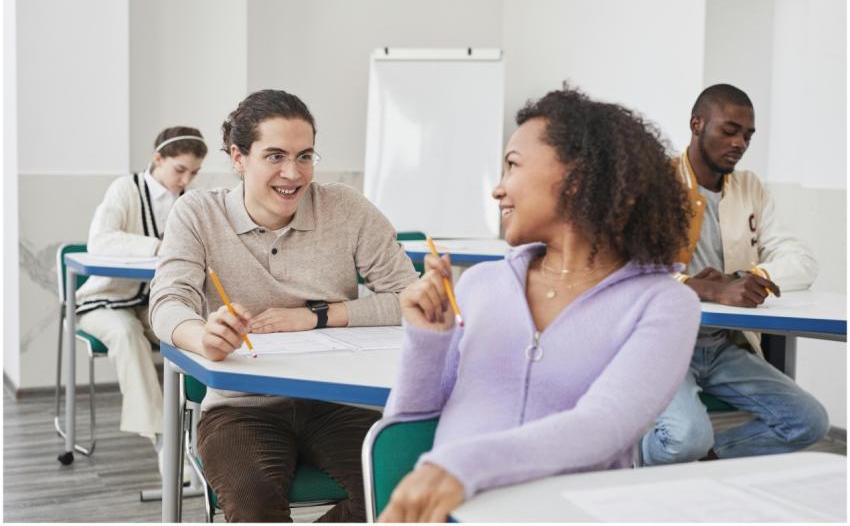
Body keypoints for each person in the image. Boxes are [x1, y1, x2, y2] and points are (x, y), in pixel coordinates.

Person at [377, 87, 702, 523]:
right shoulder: (479, 285)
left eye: (512, 165)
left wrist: (461, 467)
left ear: (578, 176)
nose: (498, 189)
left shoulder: (664, 304)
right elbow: (407, 424)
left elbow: (601, 427)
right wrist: (427, 341)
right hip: (457, 515)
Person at [148, 89, 419, 522]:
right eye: (274, 156)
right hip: (242, 409)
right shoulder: (197, 213)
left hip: (339, 402)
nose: (293, 173)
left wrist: (317, 317)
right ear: (238, 158)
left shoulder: (346, 209)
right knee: (255, 507)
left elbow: (412, 300)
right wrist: (202, 336)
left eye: (305, 156)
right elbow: (166, 303)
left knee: (405, 492)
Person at [640, 84, 829, 465]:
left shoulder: (750, 188)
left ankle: (705, 463)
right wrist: (707, 289)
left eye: (748, 135)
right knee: (686, 437)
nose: (740, 142)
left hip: (724, 345)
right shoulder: (655, 184)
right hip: (664, 342)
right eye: (730, 130)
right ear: (697, 124)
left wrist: (743, 275)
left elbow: (801, 261)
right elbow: (631, 272)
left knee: (809, 422)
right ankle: (636, 463)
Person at [75, 127, 207, 466]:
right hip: (104, 300)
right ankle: (164, 439)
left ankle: (200, 429)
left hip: (153, 304)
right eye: (180, 169)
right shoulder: (125, 189)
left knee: (192, 332)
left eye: (193, 172)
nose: (185, 179)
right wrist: (159, 246)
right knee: (124, 333)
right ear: (158, 158)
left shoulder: (188, 202)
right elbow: (100, 241)